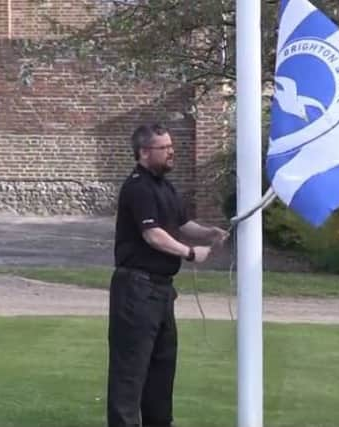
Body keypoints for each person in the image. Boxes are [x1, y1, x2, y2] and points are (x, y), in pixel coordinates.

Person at [107, 123, 228, 427]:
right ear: (144, 153)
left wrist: (209, 233)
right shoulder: (138, 187)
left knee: (162, 369)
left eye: (172, 146)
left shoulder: (165, 187)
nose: (172, 152)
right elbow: (153, 235)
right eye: (165, 148)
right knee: (130, 372)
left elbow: (182, 225)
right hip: (136, 289)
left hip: (161, 291)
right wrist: (190, 253)